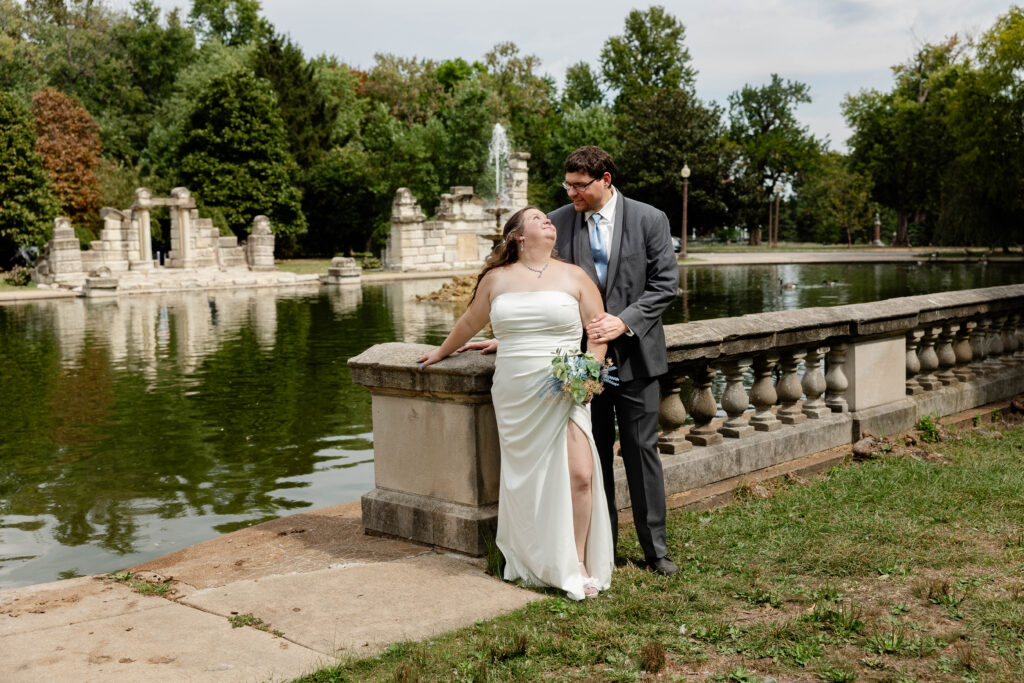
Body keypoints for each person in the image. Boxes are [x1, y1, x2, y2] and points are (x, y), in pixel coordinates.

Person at [461, 146, 679, 576]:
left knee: (641, 452)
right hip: (576, 364)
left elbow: (665, 285)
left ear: (605, 181)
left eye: (580, 186)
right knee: (590, 458)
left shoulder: (649, 219)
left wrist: (624, 322)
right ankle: (605, 548)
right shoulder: (557, 221)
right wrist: (514, 338)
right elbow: (537, 285)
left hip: (636, 356)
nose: (572, 193)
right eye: (569, 185)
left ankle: (656, 550)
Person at [417, 206, 614, 600]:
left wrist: (586, 373)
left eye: (549, 219)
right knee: (527, 479)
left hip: (566, 386)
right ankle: (533, 556)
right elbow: (470, 322)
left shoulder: (575, 275)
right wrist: (441, 352)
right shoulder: (496, 278)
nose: (549, 221)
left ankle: (575, 560)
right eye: (538, 218)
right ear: (518, 235)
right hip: (517, 389)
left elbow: (598, 332)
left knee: (580, 474)